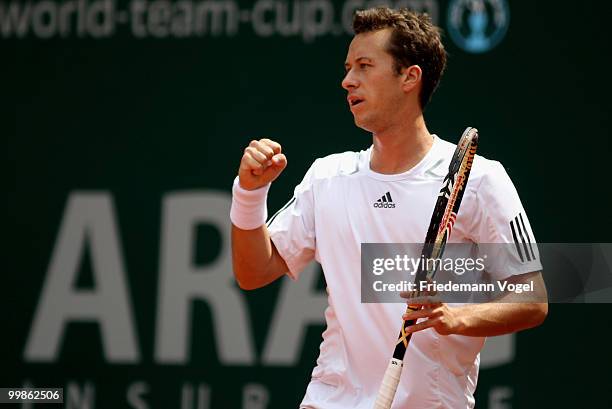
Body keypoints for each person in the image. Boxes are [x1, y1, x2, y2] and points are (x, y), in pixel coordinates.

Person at [230, 7, 547, 409]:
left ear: (409, 78)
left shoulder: (481, 180)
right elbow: (253, 271)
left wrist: (457, 319)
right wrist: (250, 193)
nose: (348, 80)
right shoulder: (328, 177)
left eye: (365, 66)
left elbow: (532, 299)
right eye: (348, 67)